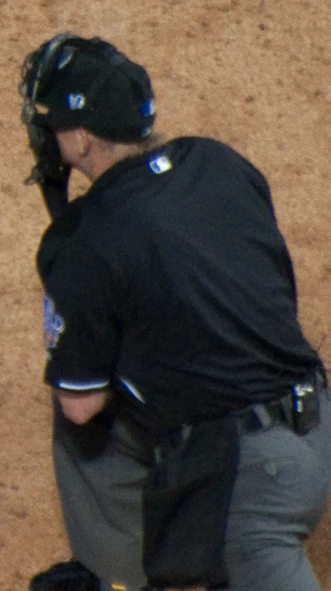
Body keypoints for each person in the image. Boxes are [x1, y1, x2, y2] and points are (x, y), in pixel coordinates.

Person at [21, 34, 329, 591]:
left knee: (81, 401)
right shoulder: (217, 161)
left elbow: (80, 404)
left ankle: (121, 574)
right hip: (318, 421)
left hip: (249, 488)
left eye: (55, 123)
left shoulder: (84, 244)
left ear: (84, 137)